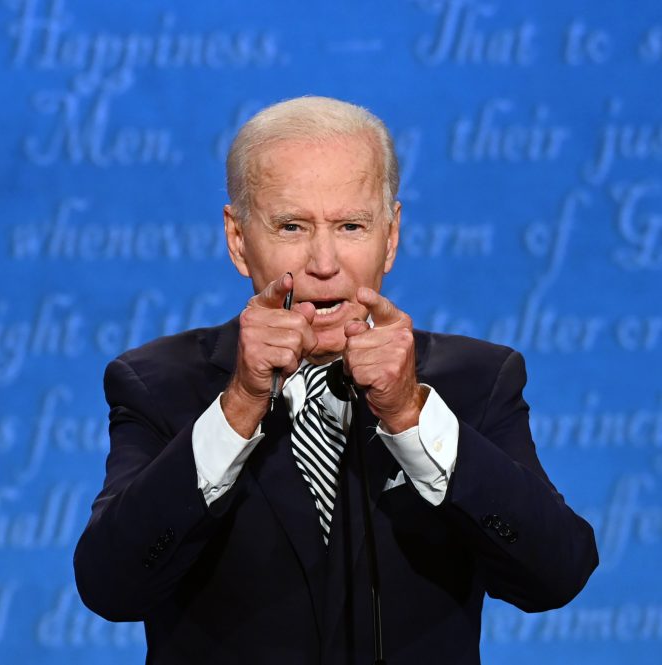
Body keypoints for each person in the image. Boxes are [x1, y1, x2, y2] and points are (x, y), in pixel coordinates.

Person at [73, 96, 598, 664]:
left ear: (391, 236)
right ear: (238, 239)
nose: (324, 262)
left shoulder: (477, 382)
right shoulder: (158, 383)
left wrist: (411, 417)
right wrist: (240, 406)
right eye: (292, 226)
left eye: (351, 226)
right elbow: (112, 587)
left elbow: (556, 576)